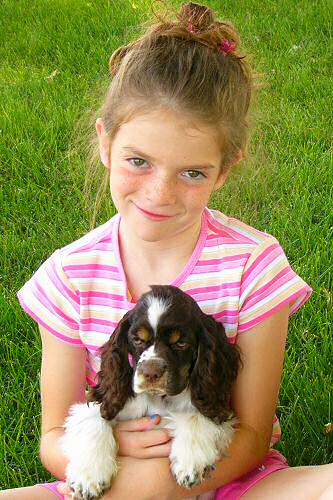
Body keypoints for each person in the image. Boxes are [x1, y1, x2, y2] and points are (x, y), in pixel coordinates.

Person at [1, 2, 332, 499]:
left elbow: (250, 437)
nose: (159, 193)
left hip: (225, 478)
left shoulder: (254, 265)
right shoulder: (70, 275)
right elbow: (53, 441)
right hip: (104, 482)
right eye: (139, 161)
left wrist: (158, 489)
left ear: (225, 169)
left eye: (192, 172)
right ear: (106, 143)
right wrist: (118, 472)